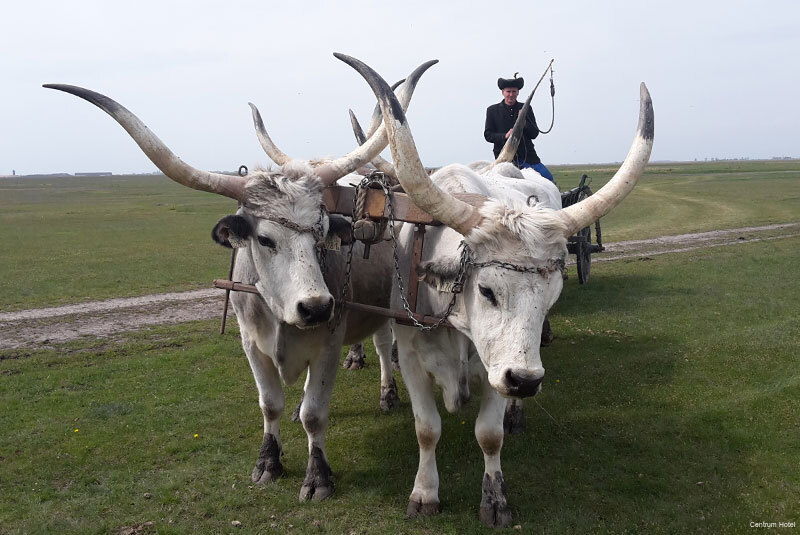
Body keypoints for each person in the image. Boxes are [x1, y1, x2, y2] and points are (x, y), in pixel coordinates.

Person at [484, 74, 554, 181]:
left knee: (548, 178)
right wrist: (505, 136)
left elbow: (534, 134)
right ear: (503, 92)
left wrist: (523, 123)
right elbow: (488, 135)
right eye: (508, 91)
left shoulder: (526, 108)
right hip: (504, 159)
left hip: (528, 158)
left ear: (518, 92)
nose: (511, 94)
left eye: (514, 91)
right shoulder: (492, 110)